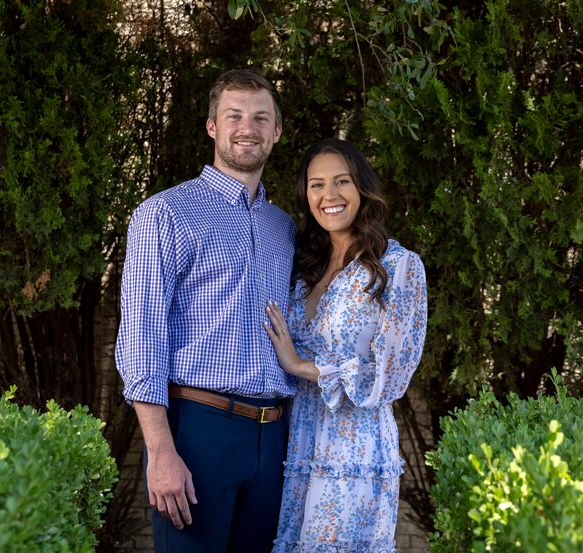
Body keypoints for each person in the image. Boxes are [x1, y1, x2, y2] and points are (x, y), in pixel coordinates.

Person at [115, 69, 296, 553]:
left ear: (276, 131)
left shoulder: (284, 227)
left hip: (275, 437)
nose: (247, 128)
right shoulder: (165, 214)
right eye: (234, 115)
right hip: (200, 431)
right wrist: (160, 451)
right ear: (212, 126)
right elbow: (141, 335)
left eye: (261, 117)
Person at [263, 137, 428, 552]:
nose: (329, 195)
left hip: (354, 448)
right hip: (297, 439)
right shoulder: (302, 267)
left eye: (342, 182)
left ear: (362, 189)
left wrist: (303, 367)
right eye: (317, 185)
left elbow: (390, 375)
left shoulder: (398, 266)